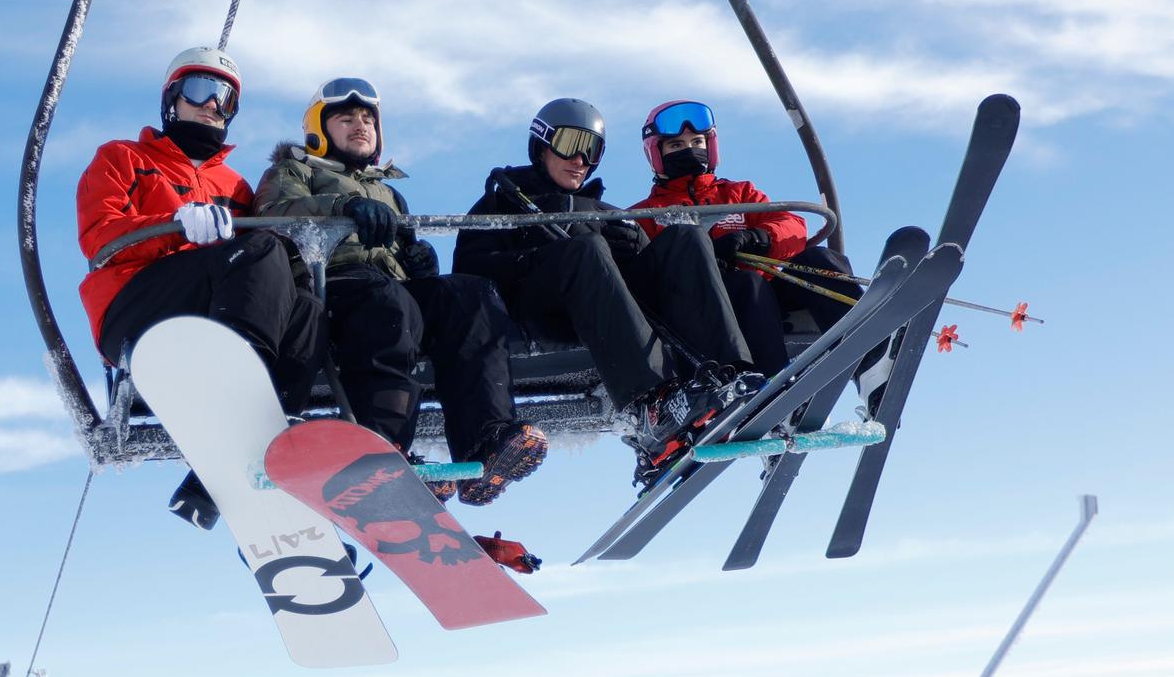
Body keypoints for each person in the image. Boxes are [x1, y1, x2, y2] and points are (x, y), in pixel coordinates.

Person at [255, 78, 548, 508]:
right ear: (319, 129)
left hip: (390, 290)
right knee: (388, 304)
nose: (360, 125)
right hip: (331, 285)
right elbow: (274, 213)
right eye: (345, 118)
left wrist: (418, 258)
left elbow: (404, 246)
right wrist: (341, 208)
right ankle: (383, 449)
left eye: (368, 118)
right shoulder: (294, 171)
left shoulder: (390, 192)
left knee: (469, 294)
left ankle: (486, 439)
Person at [77, 47, 325, 529]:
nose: (212, 104)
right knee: (258, 251)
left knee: (307, 310)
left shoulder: (233, 185)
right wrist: (174, 225)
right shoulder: (122, 157)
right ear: (172, 98)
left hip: (208, 308)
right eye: (199, 90)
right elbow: (98, 236)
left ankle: (247, 465)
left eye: (226, 98)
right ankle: (245, 401)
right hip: (136, 308)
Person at [453, 98, 762, 480]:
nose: (581, 159)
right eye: (570, 144)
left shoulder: (605, 211)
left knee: (686, 236)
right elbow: (469, 274)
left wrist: (637, 247)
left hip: (601, 313)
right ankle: (648, 406)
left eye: (592, 149)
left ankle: (729, 379)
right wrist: (538, 247)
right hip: (534, 308)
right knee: (585, 249)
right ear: (541, 145)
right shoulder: (501, 203)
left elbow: (643, 282)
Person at [629, 99, 890, 401]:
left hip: (766, 302)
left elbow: (790, 224)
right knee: (747, 283)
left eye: (697, 142)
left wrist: (758, 237)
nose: (690, 150)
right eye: (676, 145)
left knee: (820, 260)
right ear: (657, 154)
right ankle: (774, 386)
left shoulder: (738, 195)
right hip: (708, 314)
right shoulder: (647, 214)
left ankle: (870, 364)